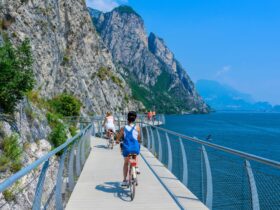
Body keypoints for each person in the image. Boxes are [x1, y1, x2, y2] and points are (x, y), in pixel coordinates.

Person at [116, 111, 141, 187]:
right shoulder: (137, 127)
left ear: (127, 119)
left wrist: (117, 140)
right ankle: (136, 167)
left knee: (126, 163)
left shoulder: (123, 128)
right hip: (135, 148)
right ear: (135, 119)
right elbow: (139, 138)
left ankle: (124, 180)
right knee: (136, 152)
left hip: (127, 149)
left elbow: (118, 137)